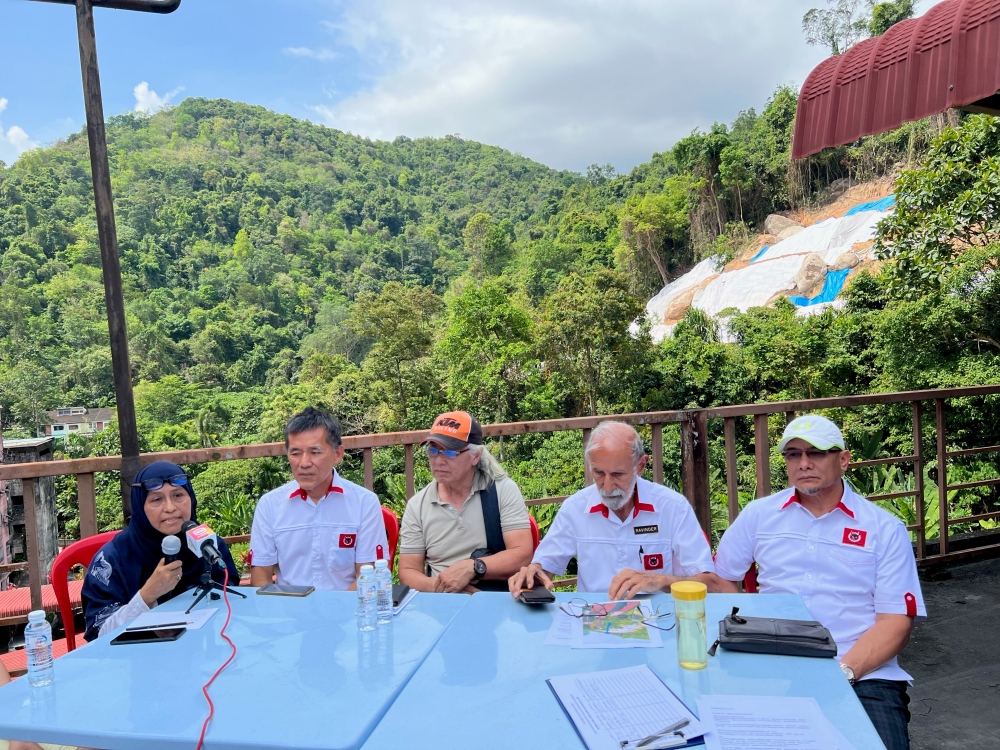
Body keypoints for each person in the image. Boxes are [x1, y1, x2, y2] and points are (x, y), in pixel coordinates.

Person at [713, 414, 926, 750]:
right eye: (793, 454)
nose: (804, 463)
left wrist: (843, 673)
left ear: (843, 460)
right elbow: (722, 577)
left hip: (860, 673)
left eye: (816, 453)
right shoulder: (759, 515)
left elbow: (896, 623)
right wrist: (749, 633)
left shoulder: (884, 529)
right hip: (771, 662)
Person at [509, 421, 725, 599]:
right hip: (595, 620)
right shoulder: (575, 509)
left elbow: (712, 585)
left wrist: (660, 581)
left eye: (618, 474)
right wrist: (533, 574)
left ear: (640, 466)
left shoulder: (673, 507)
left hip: (660, 621)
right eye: (598, 473)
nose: (607, 486)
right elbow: (544, 567)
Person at [81, 461, 239, 642]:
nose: (170, 507)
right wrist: (147, 595)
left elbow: (232, 607)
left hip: (206, 648)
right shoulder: (112, 558)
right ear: (140, 506)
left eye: (178, 495)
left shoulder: (209, 546)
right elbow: (98, 635)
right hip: (137, 654)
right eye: (157, 499)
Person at [249, 407, 388, 590]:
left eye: (315, 452)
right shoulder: (270, 505)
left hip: (347, 605)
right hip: (289, 605)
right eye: (295, 453)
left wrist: (335, 607)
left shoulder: (364, 503)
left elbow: (368, 575)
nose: (304, 463)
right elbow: (260, 577)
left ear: (337, 454)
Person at [398, 411, 533, 593]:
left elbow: (522, 554)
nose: (438, 460)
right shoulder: (418, 505)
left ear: (475, 456)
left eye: (449, 452)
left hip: (495, 598)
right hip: (443, 600)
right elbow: (408, 571)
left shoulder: (502, 490)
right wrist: (446, 587)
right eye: (433, 450)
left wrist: (473, 567)